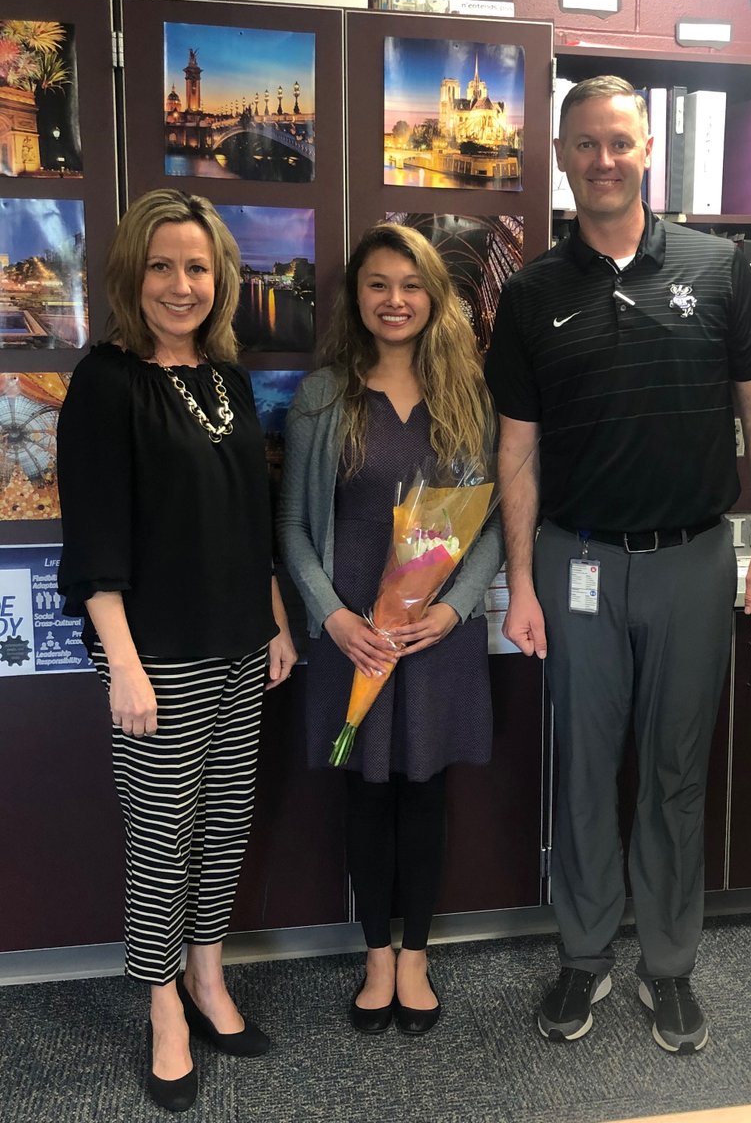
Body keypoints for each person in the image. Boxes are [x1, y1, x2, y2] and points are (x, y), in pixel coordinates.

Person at [484, 75, 751, 1054]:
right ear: (561, 157)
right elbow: (517, 448)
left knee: (673, 771)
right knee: (582, 768)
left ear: (647, 148)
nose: (603, 160)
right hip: (575, 562)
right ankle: (584, 953)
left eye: (619, 142)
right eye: (584, 144)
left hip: (691, 561)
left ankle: (667, 964)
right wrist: (521, 580)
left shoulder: (717, 266)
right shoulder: (530, 293)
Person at [57, 189, 297, 1113]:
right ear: (132, 275)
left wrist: (274, 618)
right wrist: (121, 663)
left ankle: (207, 976)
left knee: (223, 826)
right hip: (156, 656)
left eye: (197, 267)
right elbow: (94, 539)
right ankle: (163, 1005)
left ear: (220, 278)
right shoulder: (105, 382)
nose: (180, 284)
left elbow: (249, 519)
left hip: (239, 641)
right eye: (162, 266)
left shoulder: (226, 378)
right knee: (162, 838)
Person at [278, 221, 503, 1039]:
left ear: (434, 298)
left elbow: (493, 524)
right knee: (366, 795)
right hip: (355, 640)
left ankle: (415, 956)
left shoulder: (469, 397)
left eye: (410, 285)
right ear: (357, 296)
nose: (394, 300)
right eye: (377, 284)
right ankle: (376, 956)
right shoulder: (322, 399)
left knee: (426, 793)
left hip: (435, 639)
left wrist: (455, 607)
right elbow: (291, 528)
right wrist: (332, 619)